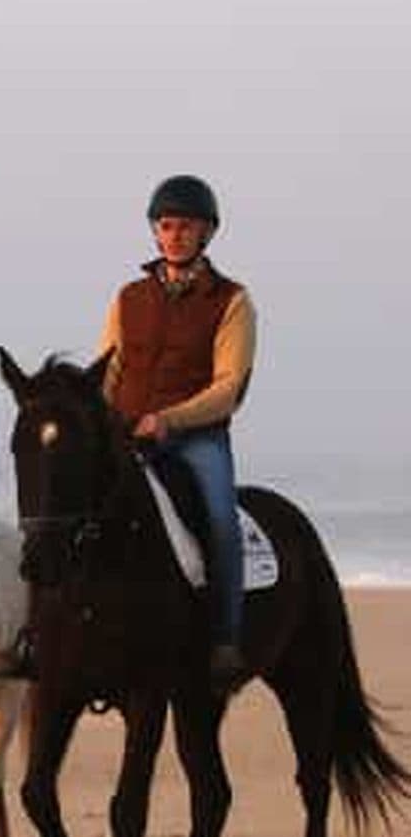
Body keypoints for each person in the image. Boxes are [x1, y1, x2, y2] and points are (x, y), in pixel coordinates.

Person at [100, 174, 257, 693]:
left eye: (186, 227)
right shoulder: (129, 297)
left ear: (207, 233)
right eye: (166, 226)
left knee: (219, 519)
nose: (174, 236)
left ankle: (225, 639)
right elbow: (109, 372)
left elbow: (228, 387)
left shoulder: (233, 301)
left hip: (196, 439)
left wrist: (171, 419)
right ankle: (44, 634)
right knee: (67, 508)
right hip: (128, 434)